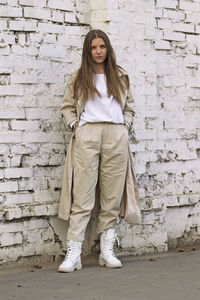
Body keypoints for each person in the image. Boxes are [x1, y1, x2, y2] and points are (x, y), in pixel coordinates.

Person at [58, 29, 139, 273]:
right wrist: (76, 127)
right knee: (82, 195)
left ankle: (106, 251)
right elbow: (67, 107)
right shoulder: (79, 76)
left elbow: (130, 107)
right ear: (88, 50)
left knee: (111, 197)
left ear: (107, 48)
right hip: (88, 135)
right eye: (93, 47)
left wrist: (125, 125)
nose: (98, 51)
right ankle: (74, 253)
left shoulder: (120, 75)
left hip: (116, 135)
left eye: (102, 46)